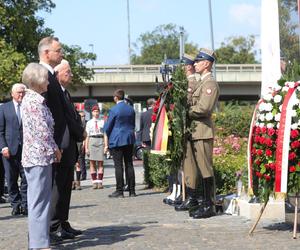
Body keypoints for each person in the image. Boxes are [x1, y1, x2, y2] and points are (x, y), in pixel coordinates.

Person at [21, 62, 62, 250]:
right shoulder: (33, 102)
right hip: (38, 157)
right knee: (39, 202)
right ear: (37, 80)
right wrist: (55, 148)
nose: (48, 83)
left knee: (40, 201)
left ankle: (39, 241)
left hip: (38, 157)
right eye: (46, 79)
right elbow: (42, 131)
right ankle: (38, 244)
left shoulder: (33, 100)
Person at [175, 49, 220, 219]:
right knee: (195, 167)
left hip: (202, 131)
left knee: (205, 169)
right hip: (194, 131)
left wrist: (186, 111)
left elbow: (204, 108)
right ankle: (199, 201)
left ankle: (210, 205)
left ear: (207, 63)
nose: (194, 64)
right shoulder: (201, 83)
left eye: (198, 61)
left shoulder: (210, 84)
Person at [50, 59, 86, 239]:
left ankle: (63, 222)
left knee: (66, 189)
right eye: (68, 72)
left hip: (69, 147)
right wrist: (81, 132)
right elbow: (66, 120)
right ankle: (54, 226)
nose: (71, 75)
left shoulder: (66, 93)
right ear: (58, 74)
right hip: (61, 147)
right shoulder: (56, 93)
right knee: (57, 189)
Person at [0, 83, 28, 216]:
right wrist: (3, 147)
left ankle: (25, 204)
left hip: (26, 149)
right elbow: (0, 130)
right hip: (9, 150)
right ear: (12, 94)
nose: (21, 94)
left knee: (26, 178)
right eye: (19, 92)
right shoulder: (4, 108)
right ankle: (15, 204)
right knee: (11, 179)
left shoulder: (28, 107)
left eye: (23, 92)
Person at [104, 89, 136, 198]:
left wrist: (106, 138)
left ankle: (119, 191)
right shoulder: (131, 109)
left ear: (116, 98)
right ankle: (132, 191)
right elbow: (133, 124)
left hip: (117, 139)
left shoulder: (113, 110)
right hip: (129, 138)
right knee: (129, 164)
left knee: (118, 166)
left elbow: (108, 127)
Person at [85, 105, 105, 189]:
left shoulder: (102, 121)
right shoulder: (89, 122)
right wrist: (86, 147)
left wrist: (106, 146)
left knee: (100, 163)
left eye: (97, 111)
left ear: (99, 112)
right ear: (92, 113)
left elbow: (105, 134)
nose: (96, 113)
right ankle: (94, 182)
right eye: (94, 111)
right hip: (92, 141)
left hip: (100, 140)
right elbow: (87, 136)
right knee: (92, 163)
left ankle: (100, 182)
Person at [72, 110, 87, 190]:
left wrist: (84, 143)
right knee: (71, 163)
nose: (82, 118)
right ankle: (72, 182)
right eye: (81, 116)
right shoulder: (73, 122)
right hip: (72, 144)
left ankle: (78, 182)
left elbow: (85, 135)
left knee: (78, 163)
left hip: (79, 144)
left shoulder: (83, 124)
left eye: (83, 116)